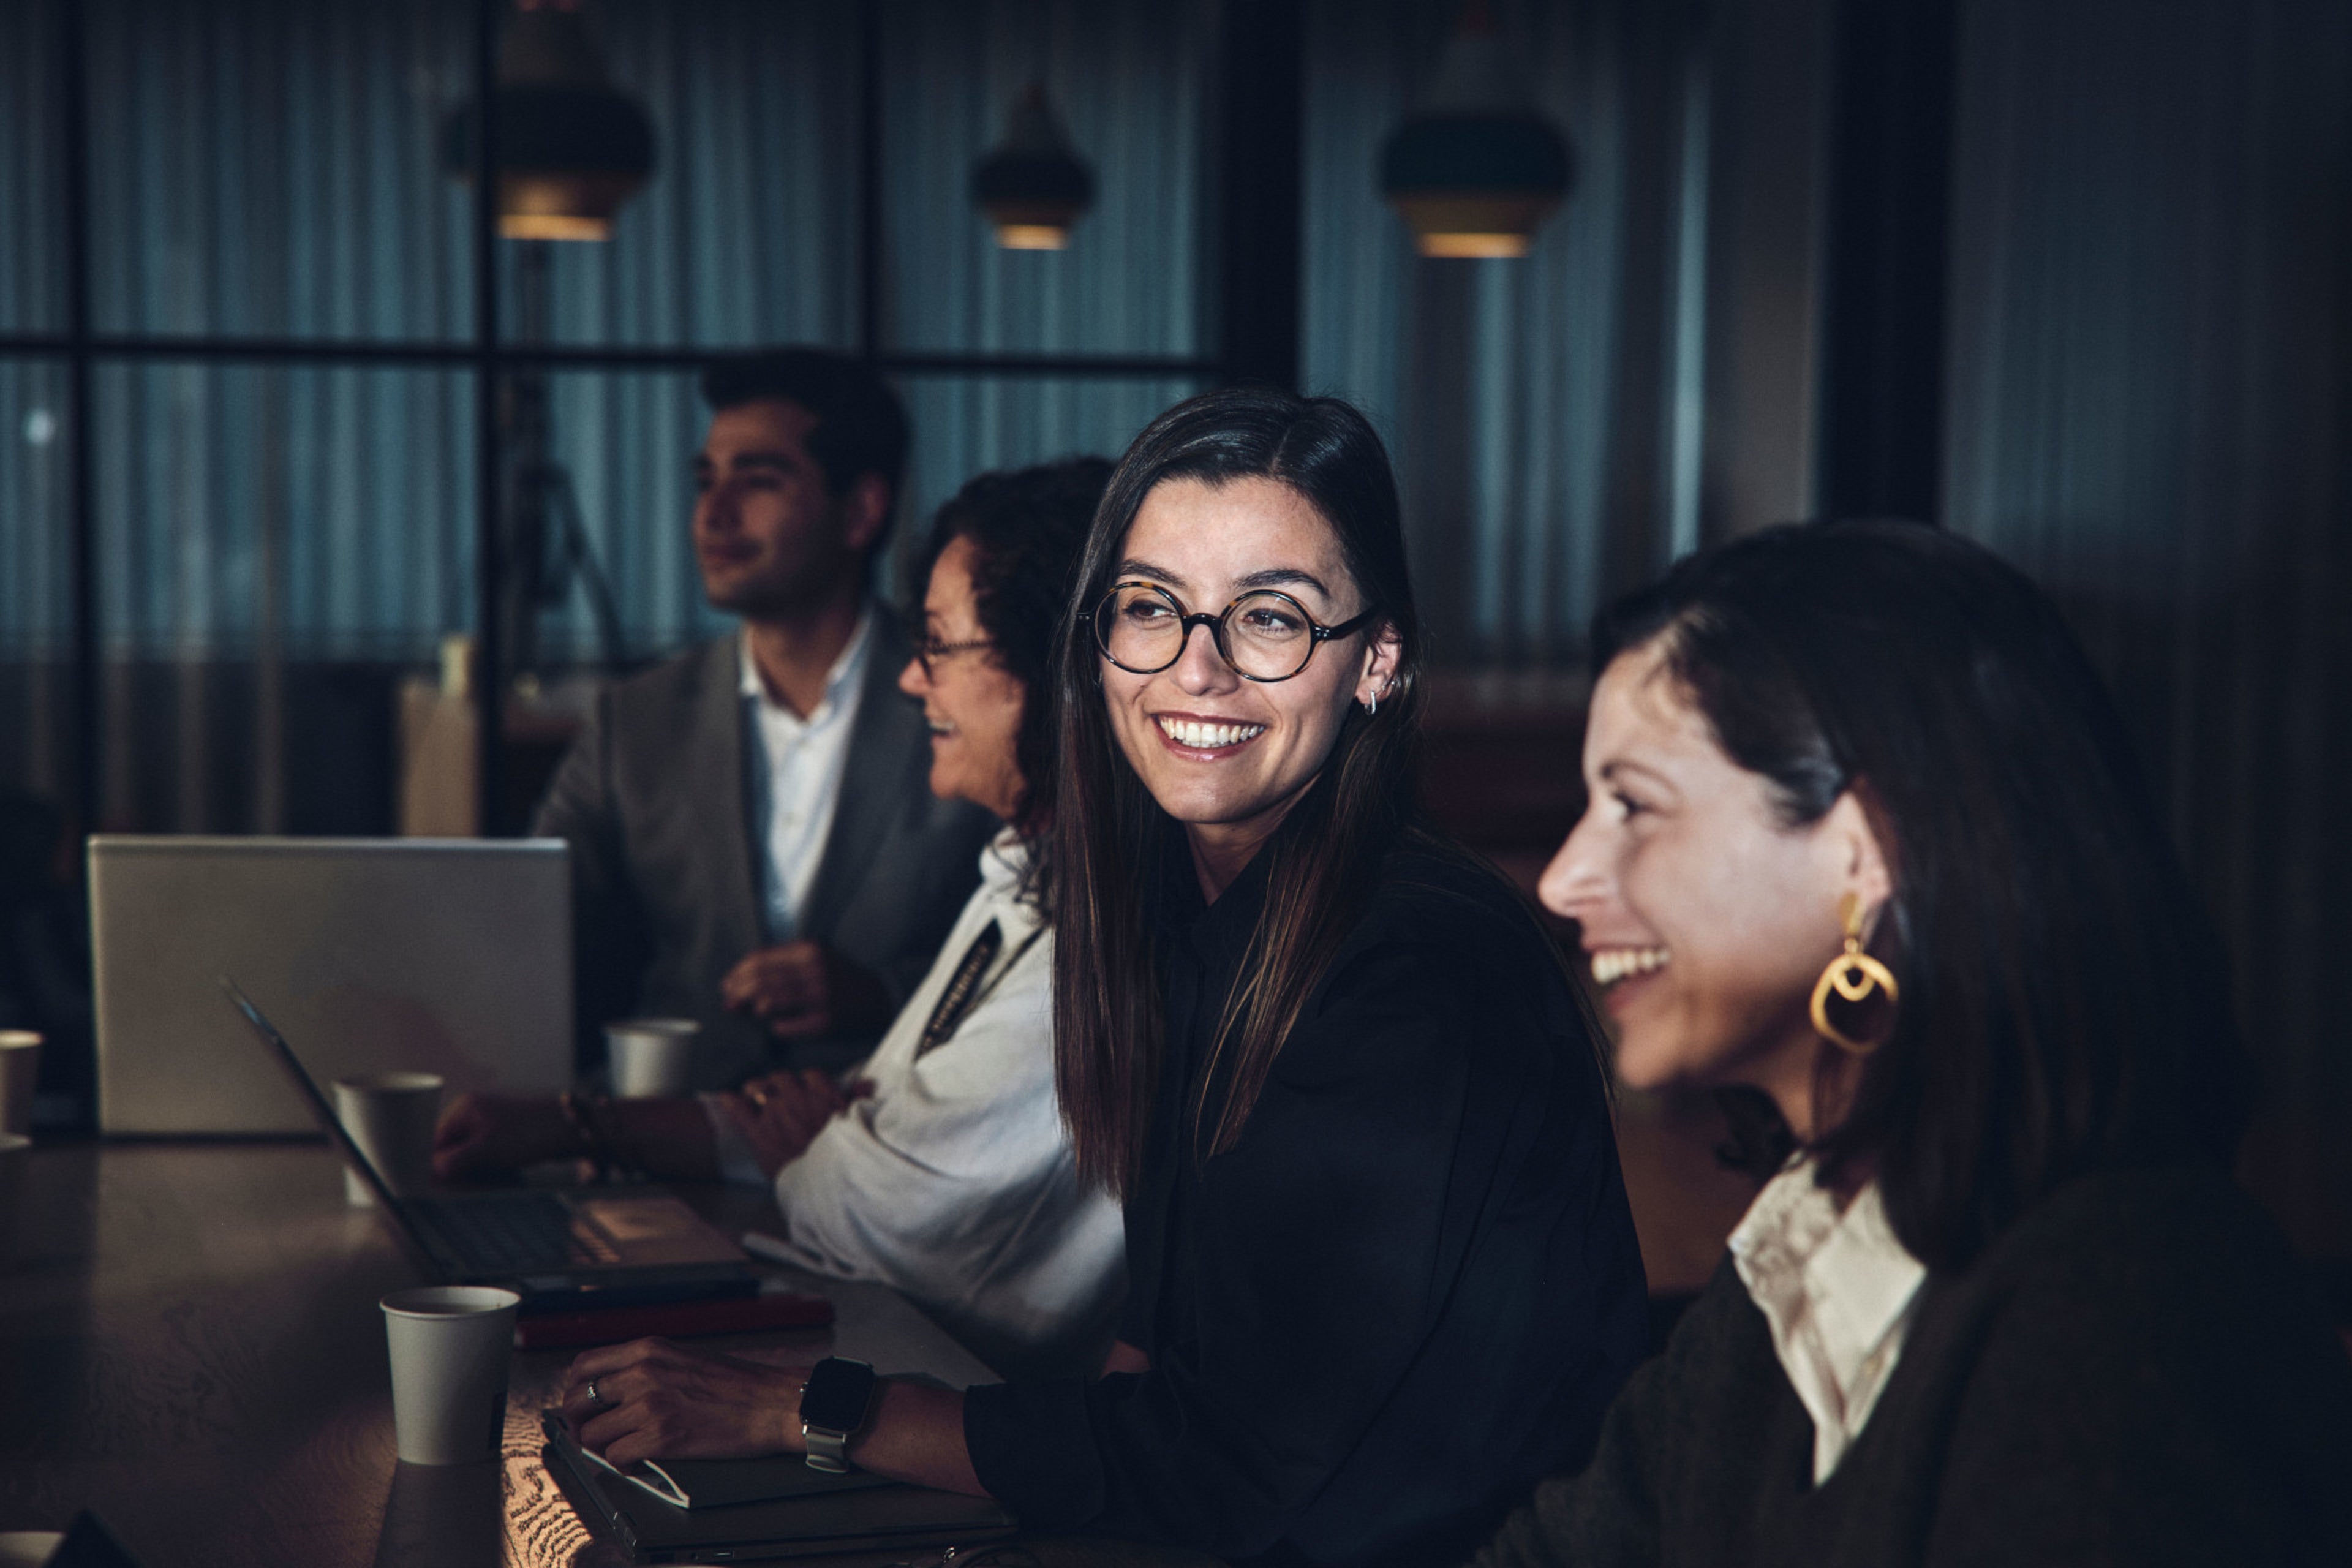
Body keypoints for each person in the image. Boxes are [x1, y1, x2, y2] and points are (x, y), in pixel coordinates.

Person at [556, 390, 1652, 1568]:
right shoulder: (1180, 907)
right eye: (1151, 609)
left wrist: (810, 1408)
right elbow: (1155, 1350)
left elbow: (1233, 1467)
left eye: (1270, 619)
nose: (1198, 670)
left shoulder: (1414, 974)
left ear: (1377, 661)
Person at [1468, 520, 2352, 1566]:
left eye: (1633, 805)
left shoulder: (2126, 1321)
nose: (1565, 879)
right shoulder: (1802, 1256)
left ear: (1864, 851)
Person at [439, 459, 1125, 1379]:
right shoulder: (1023, 874)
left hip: (940, 1384)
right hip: (853, 1309)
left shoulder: (1103, 935)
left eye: (941, 646)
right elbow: (855, 1122)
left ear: (1054, 668)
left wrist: (829, 1149)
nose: (915, 683)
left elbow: (902, 1218)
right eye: (700, 476)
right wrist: (579, 1122)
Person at [535, 347, 998, 1086]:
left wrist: (879, 993)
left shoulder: (966, 700)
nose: (712, 514)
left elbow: (1054, 956)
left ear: (860, 511)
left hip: (895, 1141)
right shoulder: (634, 721)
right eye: (704, 481)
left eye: (757, 481)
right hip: (669, 1142)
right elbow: (531, 929)